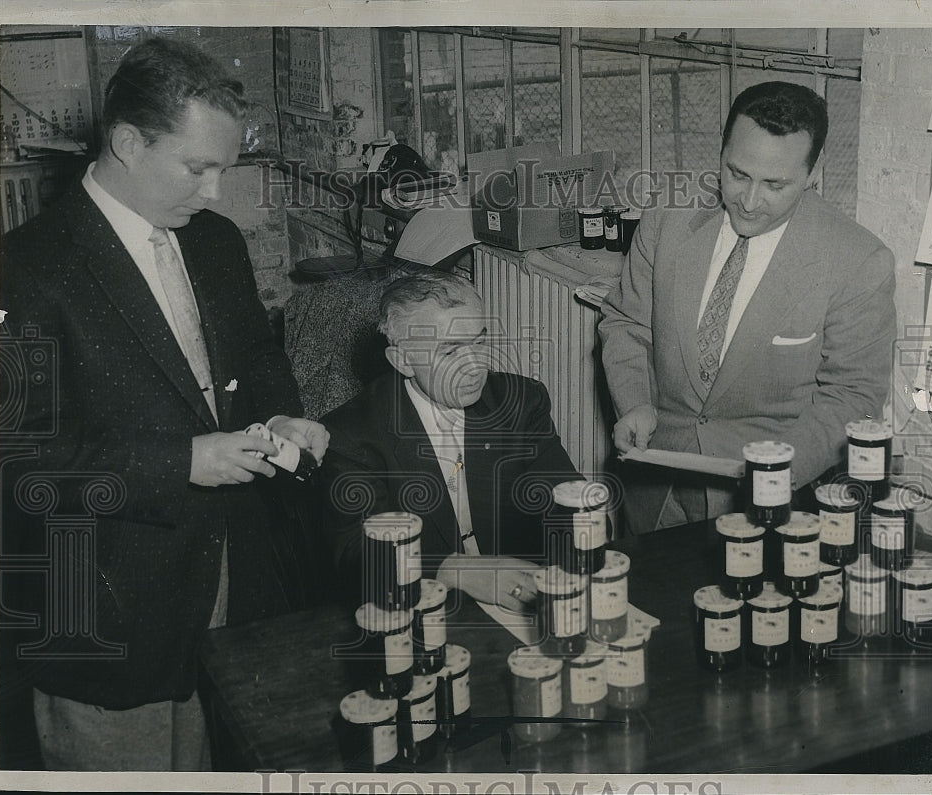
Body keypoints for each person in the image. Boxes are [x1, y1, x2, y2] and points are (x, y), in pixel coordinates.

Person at [0, 37, 329, 770]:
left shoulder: (214, 241)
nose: (213, 192)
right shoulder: (24, 269)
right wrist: (182, 463)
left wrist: (280, 413)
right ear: (125, 142)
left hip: (234, 587)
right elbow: (20, 465)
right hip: (110, 610)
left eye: (223, 169)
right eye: (197, 168)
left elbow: (256, 358)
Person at [599, 80, 896, 534]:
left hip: (770, 501)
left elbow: (852, 396)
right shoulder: (667, 220)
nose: (750, 201)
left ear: (814, 173)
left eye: (775, 184)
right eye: (737, 174)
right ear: (720, 154)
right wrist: (635, 402)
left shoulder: (857, 260)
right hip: (655, 486)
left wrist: (777, 471)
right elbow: (627, 322)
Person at [320, 269, 582, 611]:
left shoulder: (520, 402)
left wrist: (582, 527)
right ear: (402, 361)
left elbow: (566, 500)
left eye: (479, 341)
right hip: (416, 603)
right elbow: (357, 555)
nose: (475, 367)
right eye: (449, 353)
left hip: (517, 596)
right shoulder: (352, 434)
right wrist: (454, 570)